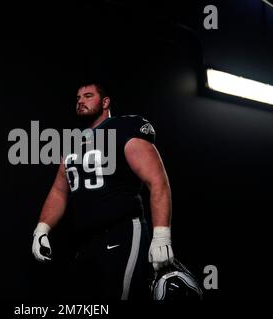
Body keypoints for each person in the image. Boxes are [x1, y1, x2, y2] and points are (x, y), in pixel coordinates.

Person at [31, 81, 174, 300]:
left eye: (88, 96)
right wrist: (41, 229)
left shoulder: (124, 128)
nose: (80, 101)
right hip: (85, 240)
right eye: (78, 98)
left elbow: (157, 181)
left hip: (122, 231)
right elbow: (59, 191)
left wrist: (162, 235)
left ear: (105, 102)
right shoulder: (72, 142)